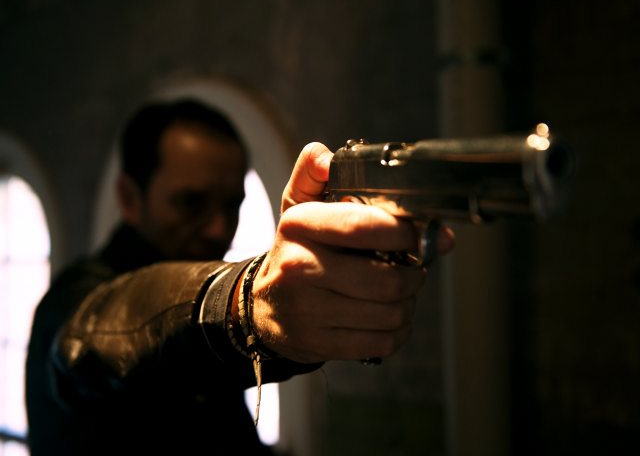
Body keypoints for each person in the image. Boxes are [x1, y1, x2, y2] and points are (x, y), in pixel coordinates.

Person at [25, 99, 455, 455]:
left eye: (232, 205)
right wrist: (245, 304)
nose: (218, 228)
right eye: (191, 203)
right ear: (129, 198)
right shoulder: (72, 301)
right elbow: (104, 327)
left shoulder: (200, 346)